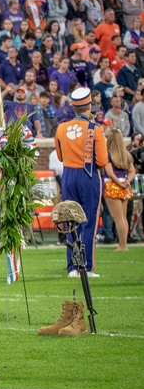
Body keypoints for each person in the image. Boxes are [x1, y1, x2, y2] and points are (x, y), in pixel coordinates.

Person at [55, 87, 124, 278]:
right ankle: (86, 267)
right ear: (88, 107)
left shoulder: (61, 128)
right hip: (89, 175)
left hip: (68, 175)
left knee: (71, 221)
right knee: (89, 222)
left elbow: (60, 156)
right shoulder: (96, 129)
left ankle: (72, 267)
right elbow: (102, 161)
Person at [103, 127, 136, 253]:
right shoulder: (126, 154)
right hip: (124, 184)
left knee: (118, 218)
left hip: (112, 185)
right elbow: (132, 171)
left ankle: (123, 246)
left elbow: (110, 173)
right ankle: (124, 243)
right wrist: (127, 182)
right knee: (123, 217)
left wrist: (119, 184)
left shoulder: (108, 154)